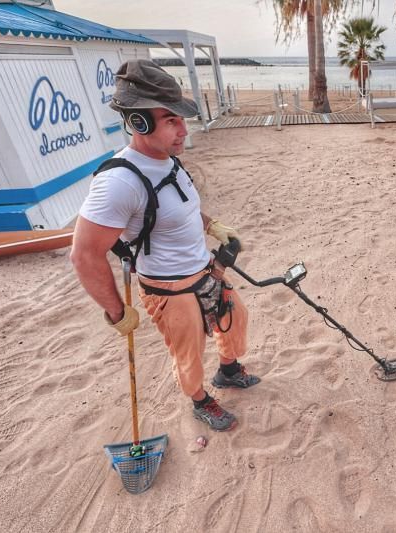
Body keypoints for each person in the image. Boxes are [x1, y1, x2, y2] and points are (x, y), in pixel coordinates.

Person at [71, 59, 259, 432]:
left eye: (181, 119)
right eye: (171, 120)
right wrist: (115, 311)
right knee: (187, 351)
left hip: (205, 269)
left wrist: (212, 226)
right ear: (138, 122)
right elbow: (85, 254)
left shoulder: (169, 162)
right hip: (167, 287)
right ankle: (201, 400)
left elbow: (180, 209)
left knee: (234, 319)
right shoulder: (119, 183)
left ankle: (228, 370)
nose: (183, 130)